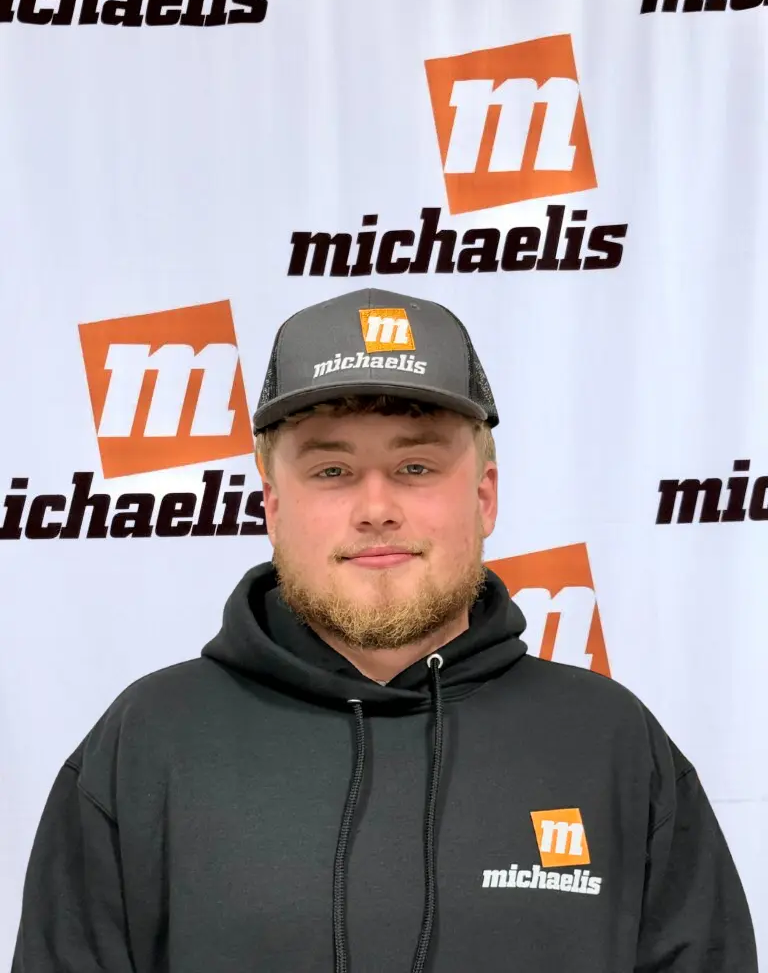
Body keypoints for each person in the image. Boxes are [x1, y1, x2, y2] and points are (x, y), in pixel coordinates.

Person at [12, 287, 758, 973]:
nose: (375, 509)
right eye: (332, 472)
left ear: (485, 496)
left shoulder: (610, 743)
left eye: (415, 467)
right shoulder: (146, 744)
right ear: (273, 504)